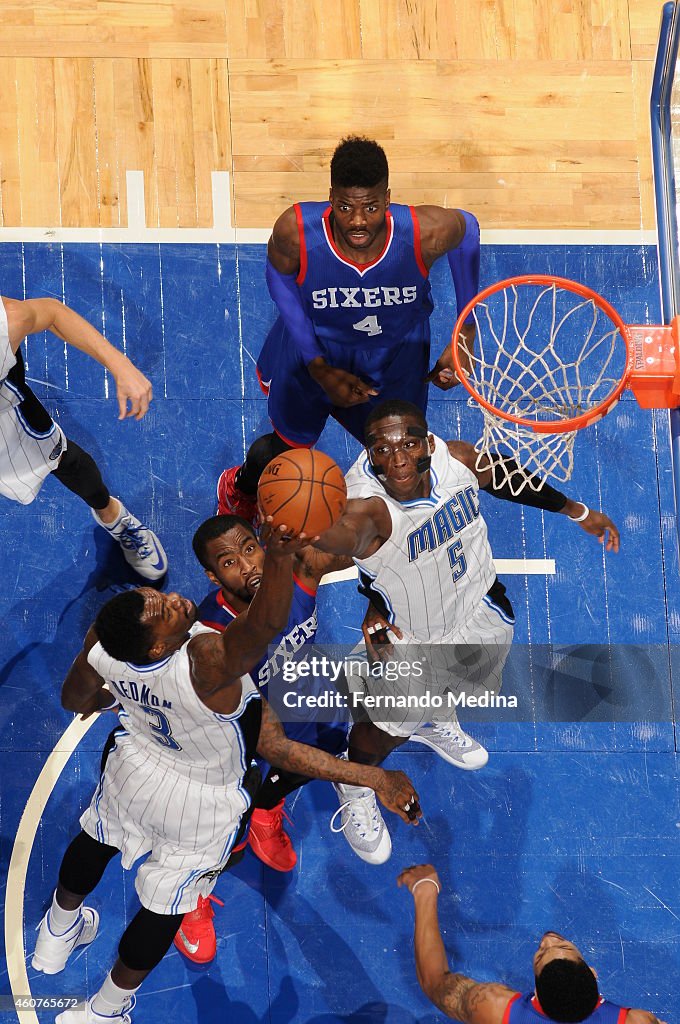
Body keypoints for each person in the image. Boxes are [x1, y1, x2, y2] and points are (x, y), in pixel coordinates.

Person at [32, 522, 420, 1024]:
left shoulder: (108, 641)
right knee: (165, 907)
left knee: (97, 838)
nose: (174, 599)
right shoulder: (209, 660)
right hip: (201, 801)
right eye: (166, 609)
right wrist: (373, 778)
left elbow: (73, 699)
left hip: (137, 766)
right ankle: (105, 1010)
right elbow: (263, 645)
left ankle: (55, 937)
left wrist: (116, 698)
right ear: (157, 648)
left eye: (161, 594)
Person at [309, 399, 619, 864]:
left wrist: (575, 510)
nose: (396, 459)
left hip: (481, 609)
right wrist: (302, 528)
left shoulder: (456, 460)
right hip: (412, 637)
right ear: (369, 455)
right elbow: (340, 535)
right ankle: (354, 781)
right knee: (386, 730)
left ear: (427, 444)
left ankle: (437, 717)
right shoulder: (368, 507)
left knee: (457, 688)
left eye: (408, 444)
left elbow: (508, 478)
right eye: (381, 449)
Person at [217, 134, 481, 523]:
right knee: (286, 446)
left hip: (396, 354)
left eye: (371, 207)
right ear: (330, 198)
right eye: (345, 206)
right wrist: (317, 364)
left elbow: (468, 232)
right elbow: (278, 278)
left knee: (400, 449)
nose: (358, 221)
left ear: (387, 199)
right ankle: (239, 487)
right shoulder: (297, 231)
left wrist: (465, 331)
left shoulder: (426, 231)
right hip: (317, 345)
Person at [172, 513, 351, 963]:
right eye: (229, 562)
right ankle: (189, 897)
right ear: (213, 576)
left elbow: (369, 540)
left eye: (250, 549)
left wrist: (380, 601)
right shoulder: (210, 637)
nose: (247, 566)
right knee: (220, 831)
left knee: (330, 733)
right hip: (229, 743)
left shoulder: (296, 573)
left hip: (289, 706)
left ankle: (266, 811)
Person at [0, 294, 167, 579]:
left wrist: (120, 365)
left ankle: (113, 515)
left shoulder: (8, 321)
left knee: (64, 460)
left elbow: (51, 313)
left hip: (6, 416)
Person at [397, 863, 667, 1024]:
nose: (547, 939)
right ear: (593, 973)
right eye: (561, 946)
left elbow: (434, 982)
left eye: (541, 954)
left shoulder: (493, 1007)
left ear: (535, 989)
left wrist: (424, 889)